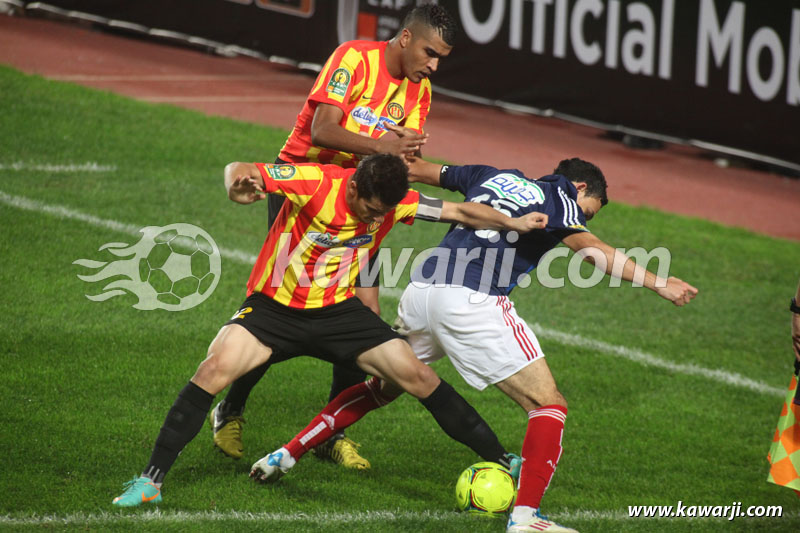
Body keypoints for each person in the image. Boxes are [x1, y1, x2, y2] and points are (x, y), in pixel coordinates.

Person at [250, 157, 699, 533]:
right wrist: (658, 283)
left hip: (421, 293)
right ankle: (527, 518)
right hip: (472, 300)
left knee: (381, 387)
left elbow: (418, 170)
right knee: (549, 405)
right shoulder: (561, 198)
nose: (585, 216)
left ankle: (284, 454)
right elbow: (593, 251)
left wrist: (384, 151)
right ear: (580, 185)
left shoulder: (489, 173)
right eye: (590, 208)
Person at [111, 153, 549, 507]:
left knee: (419, 376)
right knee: (213, 370)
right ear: (354, 187)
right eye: (370, 208)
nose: (374, 217)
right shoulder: (317, 182)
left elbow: (458, 209)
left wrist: (513, 223)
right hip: (274, 310)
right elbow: (241, 169)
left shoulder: (396, 203)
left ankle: (504, 459)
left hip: (338, 313)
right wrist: (236, 186)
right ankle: (151, 481)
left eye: (383, 213)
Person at [209, 4, 458, 469]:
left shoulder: (420, 91)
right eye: (430, 52)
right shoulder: (354, 60)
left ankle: (330, 433)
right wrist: (383, 146)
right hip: (305, 193)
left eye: (442, 57)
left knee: (362, 314)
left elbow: (399, 158)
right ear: (405, 38)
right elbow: (323, 129)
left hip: (363, 206)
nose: (434, 65)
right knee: (279, 310)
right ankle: (230, 408)